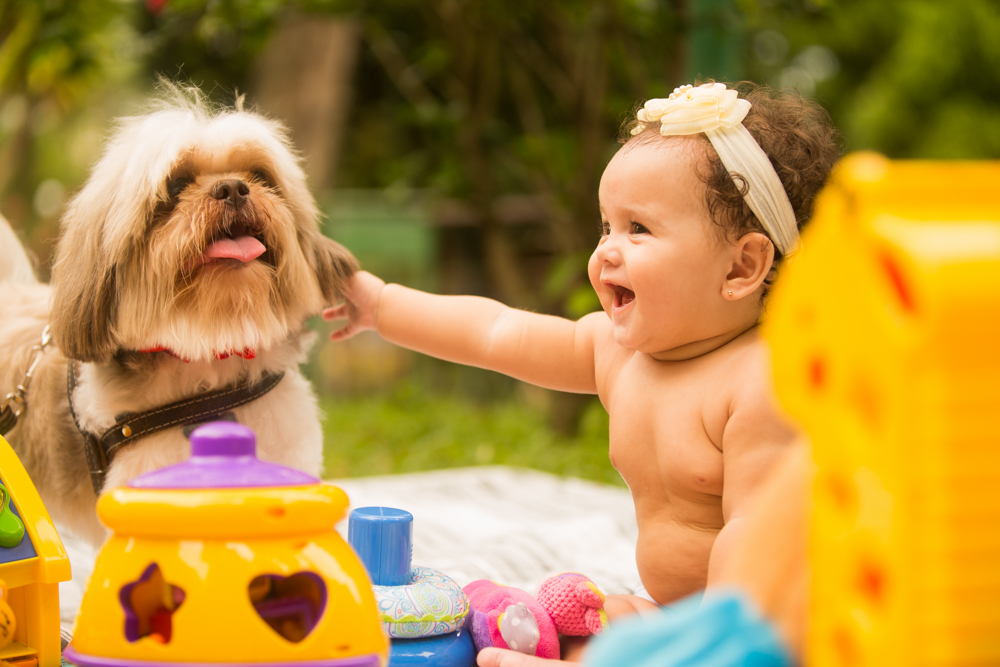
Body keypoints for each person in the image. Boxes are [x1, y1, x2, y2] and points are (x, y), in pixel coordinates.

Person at [324, 81, 839, 660]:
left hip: (765, 632)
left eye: (638, 229)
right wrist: (381, 305)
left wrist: (699, 648)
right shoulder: (617, 355)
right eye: (605, 226)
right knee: (583, 623)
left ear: (741, 267)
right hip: (670, 612)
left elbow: (757, 546)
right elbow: (494, 332)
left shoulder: (762, 383)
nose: (606, 251)